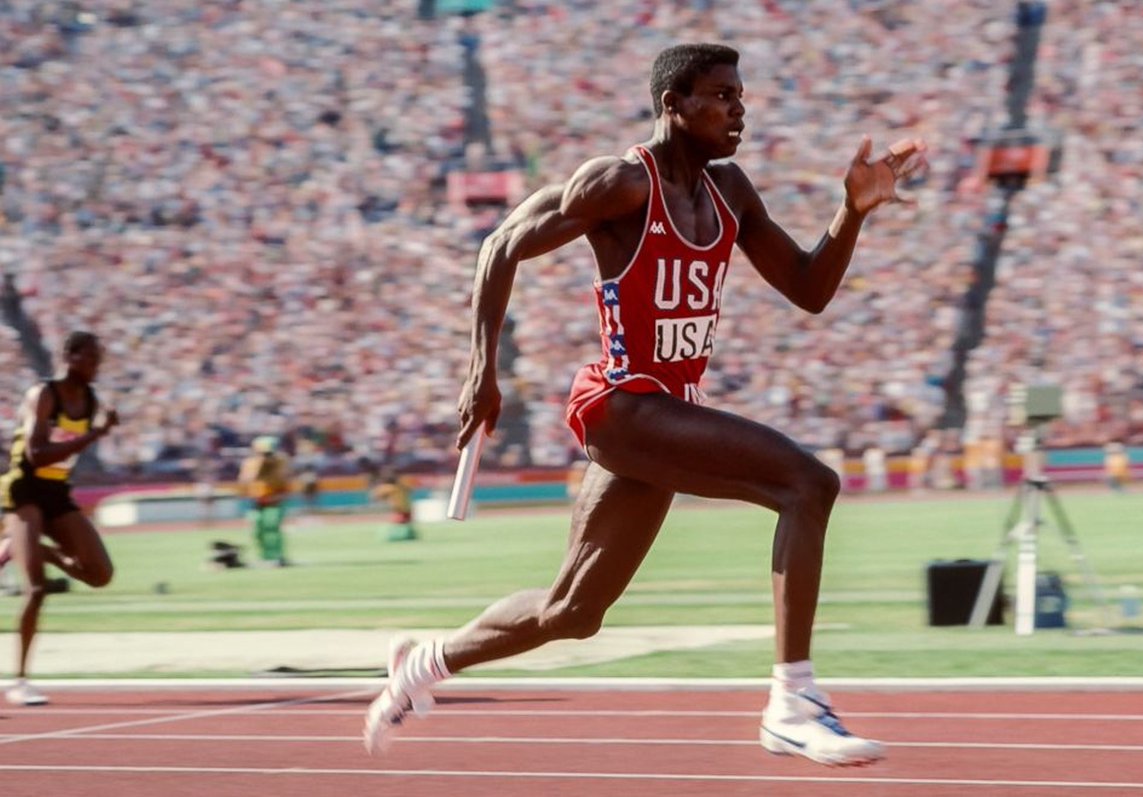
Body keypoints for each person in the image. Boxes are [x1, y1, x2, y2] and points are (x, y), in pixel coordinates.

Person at [364, 43, 926, 766]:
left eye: (741, 94)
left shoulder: (731, 191)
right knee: (807, 482)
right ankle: (792, 702)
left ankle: (422, 661)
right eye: (722, 95)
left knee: (573, 611)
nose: (739, 109)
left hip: (667, 410)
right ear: (674, 104)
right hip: (624, 405)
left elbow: (810, 289)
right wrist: (484, 368)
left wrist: (851, 211)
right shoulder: (621, 184)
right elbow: (500, 244)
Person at [0, 331, 118, 705]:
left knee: (99, 574)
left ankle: (28, 548)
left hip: (56, 494)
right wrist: (94, 435)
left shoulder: (90, 398)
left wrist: (95, 433)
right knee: (36, 588)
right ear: (70, 356)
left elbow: (64, 456)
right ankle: (19, 680)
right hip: (23, 491)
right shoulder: (43, 394)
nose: (97, 366)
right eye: (91, 358)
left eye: (100, 359)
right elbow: (36, 454)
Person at [237, 436, 291, 565]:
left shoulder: (280, 462)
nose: (266, 457)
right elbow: (245, 481)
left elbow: (283, 479)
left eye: (269, 453)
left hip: (274, 500)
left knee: (271, 528)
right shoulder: (250, 463)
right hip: (256, 501)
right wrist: (258, 468)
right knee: (257, 530)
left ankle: (276, 556)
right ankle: (264, 556)